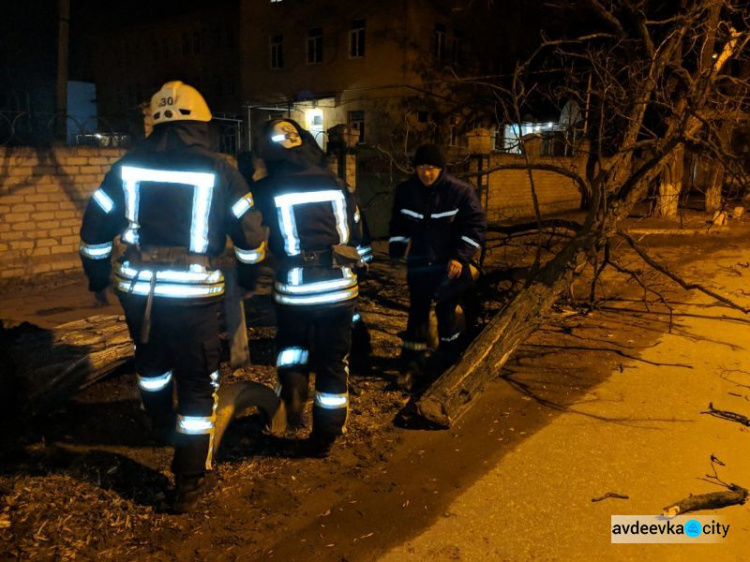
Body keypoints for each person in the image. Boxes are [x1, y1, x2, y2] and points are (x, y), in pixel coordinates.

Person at [79, 81, 266, 513]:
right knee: (199, 383)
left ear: (156, 122)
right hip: (194, 298)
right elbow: (251, 235)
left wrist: (96, 279)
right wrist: (251, 275)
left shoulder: (125, 167)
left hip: (138, 293)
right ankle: (188, 479)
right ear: (202, 125)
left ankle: (160, 426)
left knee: (151, 366)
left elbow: (93, 233)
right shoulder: (221, 170)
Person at [254, 118, 363, 457]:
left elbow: (251, 231)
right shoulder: (337, 183)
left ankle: (294, 386)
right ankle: (325, 436)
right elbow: (357, 232)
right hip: (339, 287)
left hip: (295, 289)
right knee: (333, 362)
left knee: (291, 346)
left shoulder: (266, 188)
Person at [389, 143, 487, 390]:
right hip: (420, 265)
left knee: (446, 317)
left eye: (431, 167)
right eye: (421, 167)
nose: (426, 173)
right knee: (417, 318)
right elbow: (398, 225)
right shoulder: (406, 191)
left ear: (440, 168)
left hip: (449, 267)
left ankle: (447, 366)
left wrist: (459, 257)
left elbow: (475, 226)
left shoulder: (459, 192)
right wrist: (396, 254)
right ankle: (411, 368)